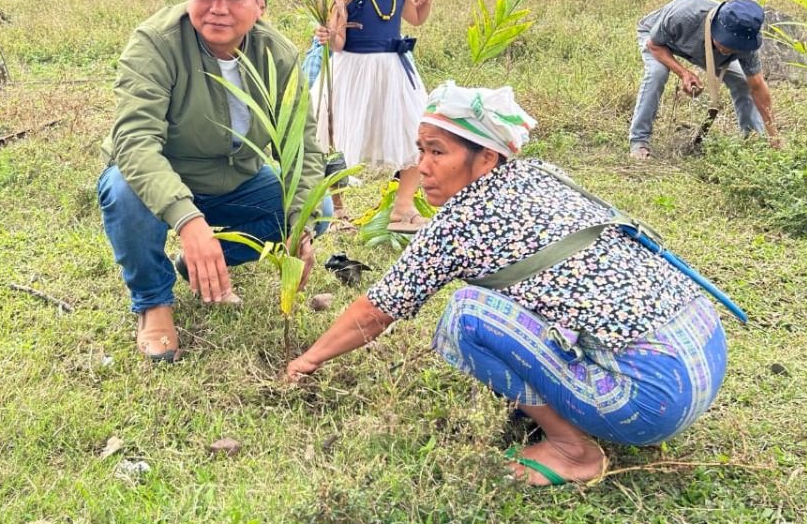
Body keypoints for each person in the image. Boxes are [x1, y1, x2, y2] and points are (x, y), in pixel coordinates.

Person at [288, 82, 729, 486]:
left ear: (486, 158)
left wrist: (306, 361)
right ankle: (561, 407)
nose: (421, 167)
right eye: (420, 150)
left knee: (467, 316)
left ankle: (572, 452)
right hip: (704, 352)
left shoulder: (460, 222)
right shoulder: (541, 173)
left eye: (437, 152)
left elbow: (377, 310)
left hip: (649, 403)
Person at [98, 0, 330, 363]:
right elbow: (134, 143)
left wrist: (300, 222)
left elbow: (303, 150)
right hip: (162, 181)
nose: (218, 8)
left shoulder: (277, 56)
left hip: (235, 182)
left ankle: (202, 265)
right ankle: (153, 302)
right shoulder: (156, 43)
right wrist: (188, 220)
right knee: (123, 188)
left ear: (260, 4)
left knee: (321, 209)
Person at [314, 0, 435, 232]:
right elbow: (338, 43)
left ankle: (403, 207)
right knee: (336, 138)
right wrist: (332, 26)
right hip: (352, 72)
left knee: (414, 133)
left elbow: (417, 18)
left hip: (394, 74)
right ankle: (337, 211)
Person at [628, 0, 779, 159]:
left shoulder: (746, 39)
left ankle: (752, 141)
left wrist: (774, 135)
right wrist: (683, 73)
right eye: (726, 43)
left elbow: (757, 86)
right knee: (657, 73)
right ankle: (639, 141)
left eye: (735, 47)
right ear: (716, 27)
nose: (727, 51)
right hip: (660, 40)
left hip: (703, 48)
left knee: (742, 82)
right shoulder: (683, 16)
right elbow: (654, 45)